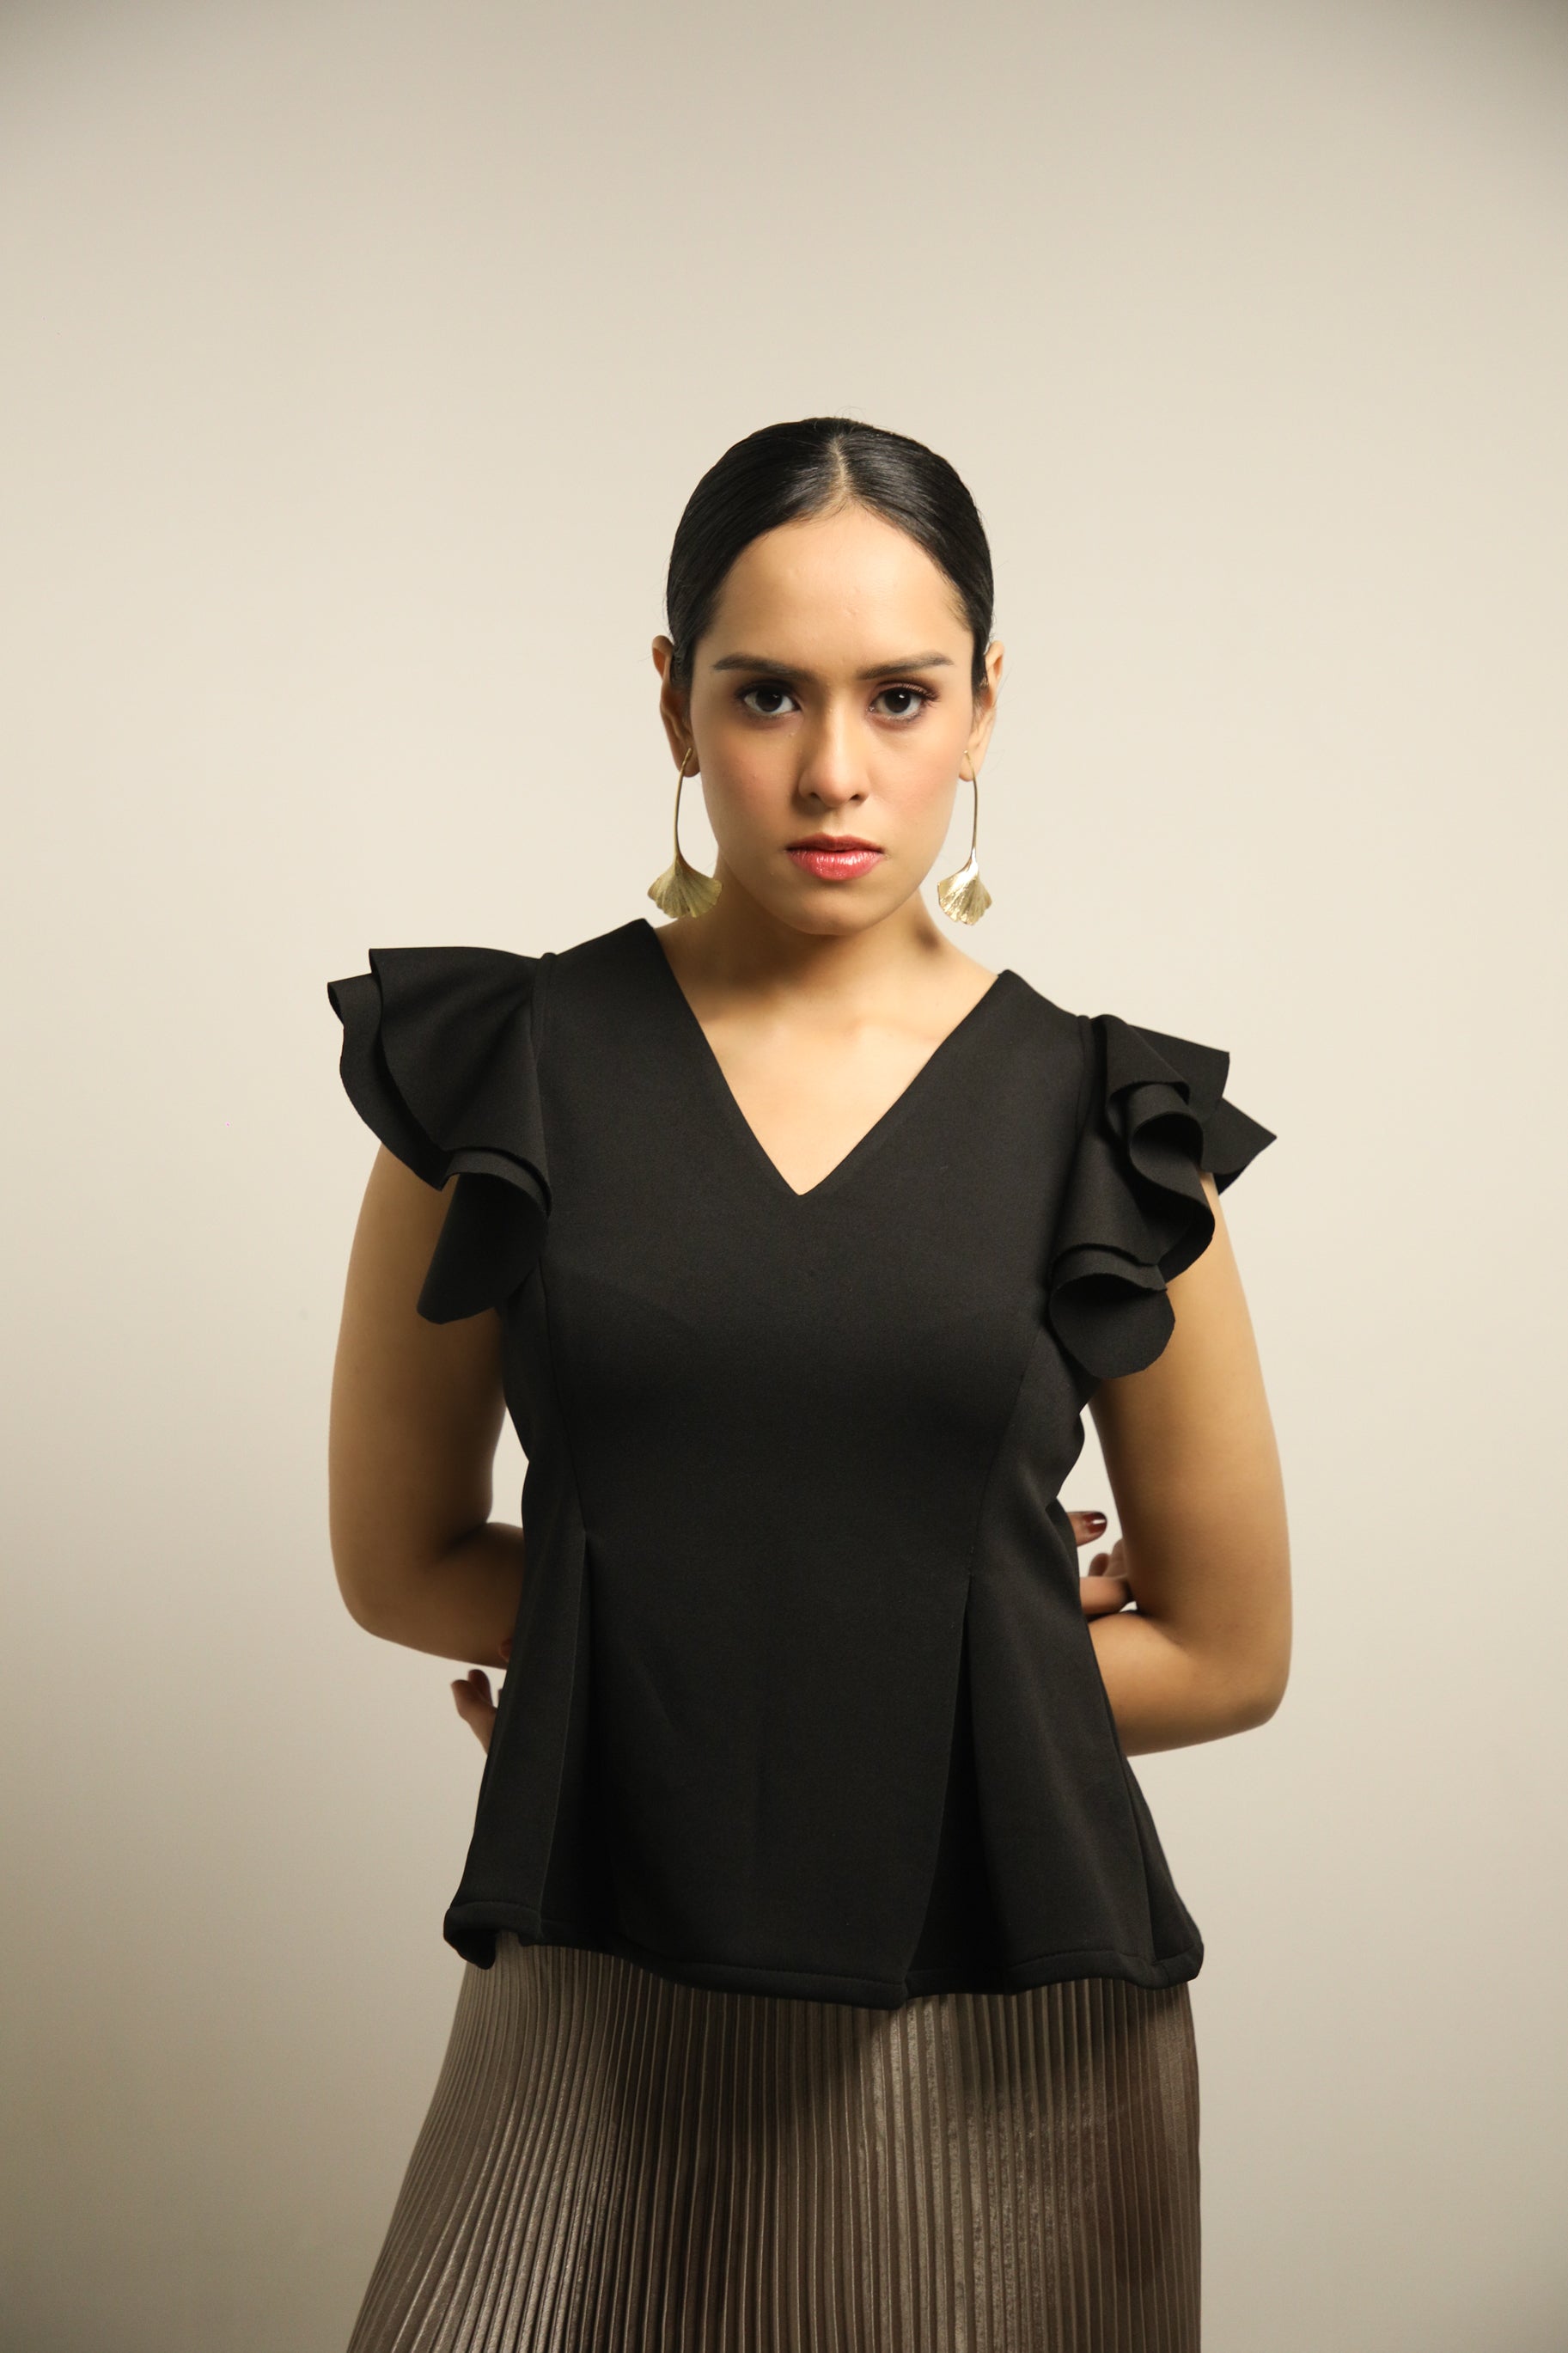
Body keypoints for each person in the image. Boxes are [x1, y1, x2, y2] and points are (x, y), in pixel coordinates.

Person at [326, 416, 1290, 2353]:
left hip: (1005, 2033)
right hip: (601, 1973)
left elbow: (1226, 1649)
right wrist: (798, 1652)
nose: (834, 769)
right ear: (672, 700)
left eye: (898, 695)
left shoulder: (1112, 1128)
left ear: (984, 706)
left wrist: (747, 1663)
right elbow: (402, 1560)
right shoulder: (499, 1073)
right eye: (766, 692)